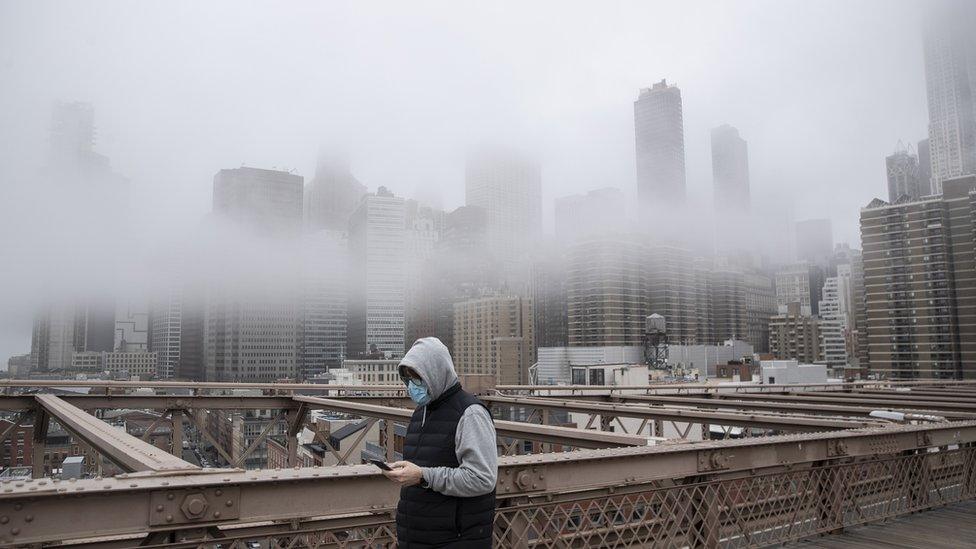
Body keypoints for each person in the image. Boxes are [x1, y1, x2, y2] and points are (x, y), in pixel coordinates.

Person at [381, 337, 497, 548]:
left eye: (417, 378)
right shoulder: (421, 412)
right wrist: (408, 472)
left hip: (455, 540)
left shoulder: (470, 413)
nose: (411, 386)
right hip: (418, 538)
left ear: (436, 372)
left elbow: (482, 478)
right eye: (407, 379)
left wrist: (423, 476)